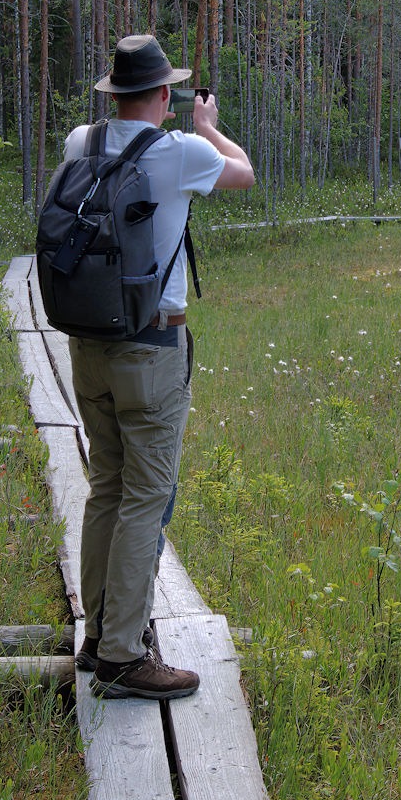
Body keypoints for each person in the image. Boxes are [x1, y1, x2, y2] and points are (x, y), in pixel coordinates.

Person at [64, 34, 253, 700]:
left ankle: (96, 637)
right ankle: (123, 654)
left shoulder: (80, 143)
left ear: (113, 93)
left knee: (105, 488)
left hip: (87, 348)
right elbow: (245, 172)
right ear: (165, 97)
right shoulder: (183, 153)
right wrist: (209, 126)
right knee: (145, 495)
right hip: (150, 348)